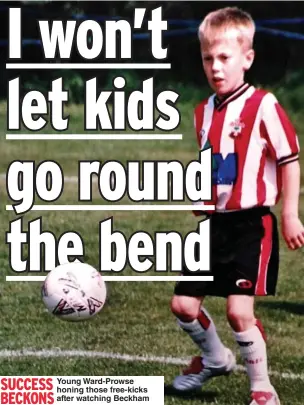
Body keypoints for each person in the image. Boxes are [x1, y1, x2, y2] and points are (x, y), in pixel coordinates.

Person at [170, 6, 304, 405]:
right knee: (182, 305)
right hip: (214, 224)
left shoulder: (263, 105)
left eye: (225, 57)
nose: (216, 67)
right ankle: (214, 358)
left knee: (238, 313)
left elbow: (289, 160)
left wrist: (290, 213)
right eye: (208, 58)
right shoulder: (203, 112)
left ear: (247, 58)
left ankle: (262, 387)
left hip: (251, 225)